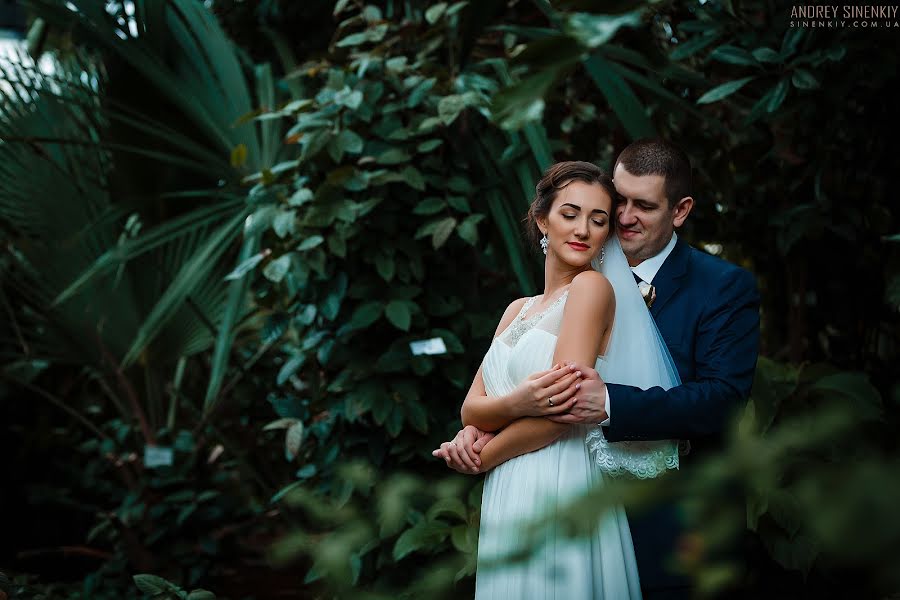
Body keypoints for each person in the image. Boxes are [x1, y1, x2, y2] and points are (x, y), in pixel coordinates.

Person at [435, 139, 761, 599]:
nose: (624, 217)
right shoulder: (553, 292)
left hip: (674, 518)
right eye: (618, 200)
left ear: (681, 210)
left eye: (643, 205)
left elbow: (723, 401)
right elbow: (513, 394)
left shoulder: (722, 287)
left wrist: (607, 402)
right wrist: (482, 427)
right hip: (566, 498)